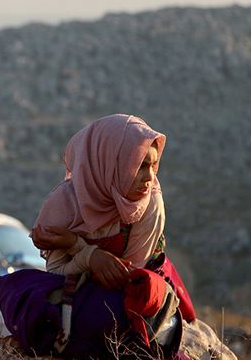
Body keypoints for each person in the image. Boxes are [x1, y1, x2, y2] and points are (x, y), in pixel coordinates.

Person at [31, 114, 167, 289]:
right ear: (109, 163)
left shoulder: (150, 203)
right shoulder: (65, 201)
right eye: (140, 166)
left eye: (153, 165)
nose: (150, 177)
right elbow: (55, 274)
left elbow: (130, 277)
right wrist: (90, 258)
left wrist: (75, 245)